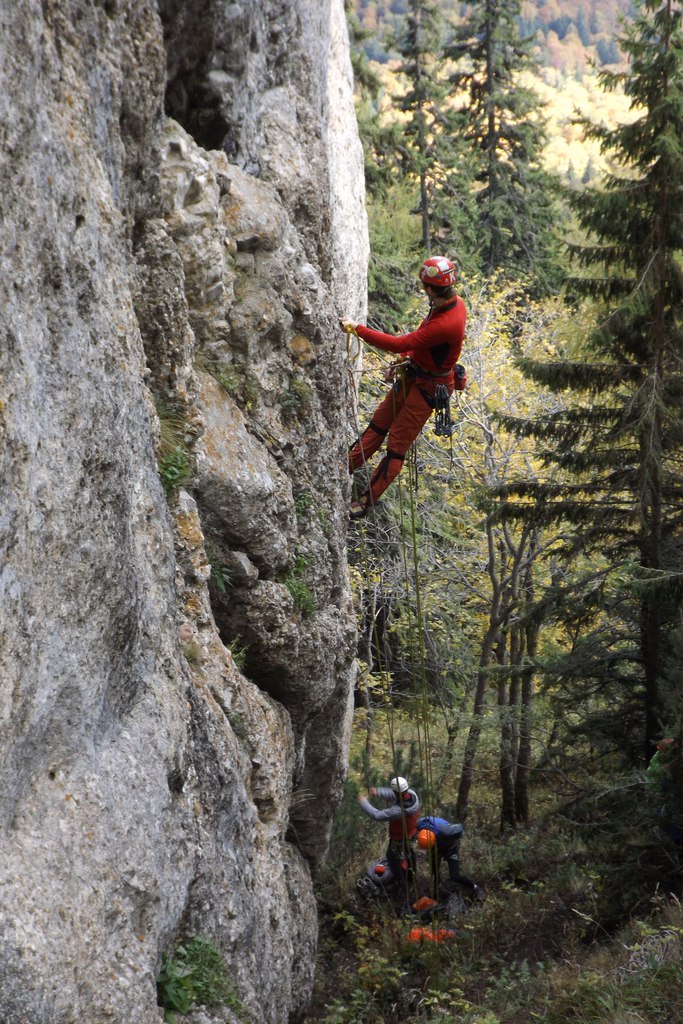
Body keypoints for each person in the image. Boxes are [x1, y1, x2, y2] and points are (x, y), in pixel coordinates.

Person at [341, 256, 466, 518]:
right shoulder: (443, 305)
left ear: (431, 288)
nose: (423, 289)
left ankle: (365, 503)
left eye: (424, 285)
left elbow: (401, 342)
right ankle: (343, 468)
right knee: (379, 422)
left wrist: (358, 329)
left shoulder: (448, 321)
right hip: (415, 374)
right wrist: (403, 360)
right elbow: (418, 340)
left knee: (396, 445)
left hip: (429, 388)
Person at [358, 776, 421, 897]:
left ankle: (402, 885)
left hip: (398, 839)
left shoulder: (398, 810)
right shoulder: (413, 796)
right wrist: (378, 791)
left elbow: (377, 815)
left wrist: (363, 802)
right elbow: (396, 794)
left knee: (392, 859)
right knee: (409, 853)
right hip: (412, 833)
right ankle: (412, 877)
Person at [416, 815, 484, 901]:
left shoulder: (448, 832)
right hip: (437, 845)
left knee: (455, 875)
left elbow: (460, 827)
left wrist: (450, 843)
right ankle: (436, 893)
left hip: (451, 846)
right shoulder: (419, 824)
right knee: (434, 871)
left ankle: (475, 887)